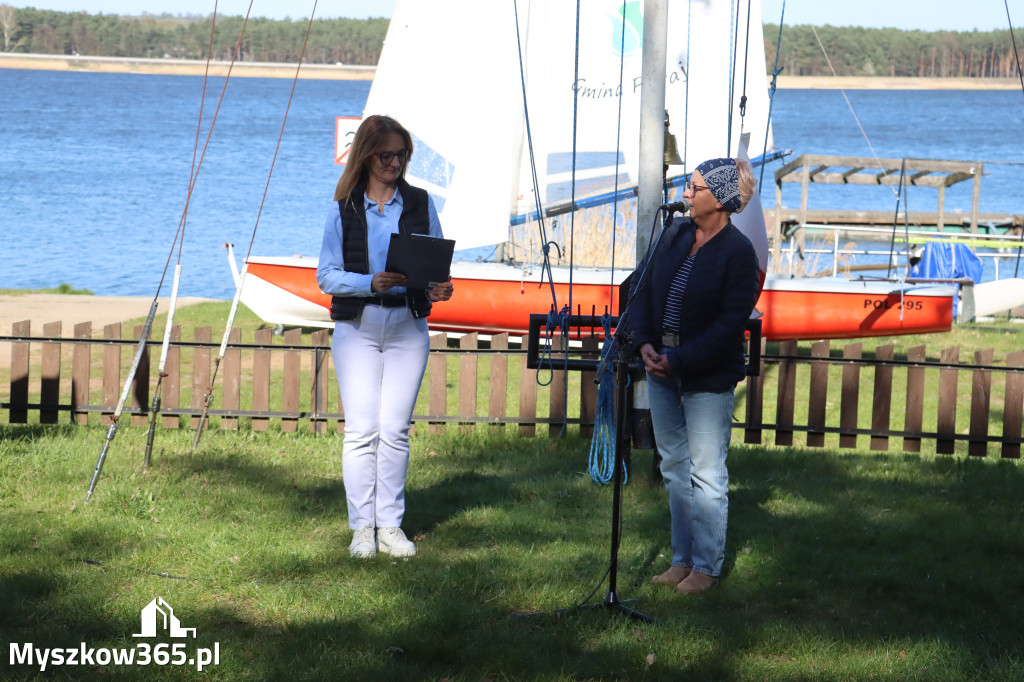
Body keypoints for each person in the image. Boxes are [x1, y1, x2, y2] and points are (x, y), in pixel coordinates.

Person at [316, 114, 454, 559]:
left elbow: (435, 264)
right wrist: (368, 283)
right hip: (357, 327)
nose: (395, 162)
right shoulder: (344, 208)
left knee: (394, 430)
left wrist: (440, 287)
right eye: (387, 155)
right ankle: (361, 529)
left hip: (408, 326)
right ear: (367, 155)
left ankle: (390, 526)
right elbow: (326, 276)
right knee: (361, 431)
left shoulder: (420, 203)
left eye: (401, 155)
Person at [629, 157, 759, 594]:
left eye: (695, 187)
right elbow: (643, 289)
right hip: (661, 365)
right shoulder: (675, 233)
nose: (686, 193)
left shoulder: (739, 253)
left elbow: (728, 326)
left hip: (705, 375)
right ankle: (680, 559)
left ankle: (705, 566)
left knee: (706, 473)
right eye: (688, 184)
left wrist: (678, 359)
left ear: (720, 199)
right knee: (674, 466)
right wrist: (645, 342)